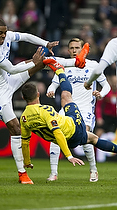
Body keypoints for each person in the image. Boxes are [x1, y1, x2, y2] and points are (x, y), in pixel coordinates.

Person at [0, 17, 59, 184]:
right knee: (16, 128)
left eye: (5, 32)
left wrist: (46, 43)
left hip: (8, 80)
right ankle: (22, 173)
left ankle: (72, 67)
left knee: (42, 63)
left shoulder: (7, 35)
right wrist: (32, 62)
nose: (3, 36)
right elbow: (12, 68)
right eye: (0, 33)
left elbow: (25, 36)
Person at [20, 58, 117, 183]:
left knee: (93, 139)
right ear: (38, 94)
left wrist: (27, 161)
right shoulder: (46, 110)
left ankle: (58, 173)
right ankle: (60, 70)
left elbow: (25, 142)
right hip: (74, 127)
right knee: (66, 96)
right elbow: (57, 132)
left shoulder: (24, 118)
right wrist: (69, 156)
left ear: (23, 97)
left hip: (69, 140)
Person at [46, 38, 111, 182]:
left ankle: (93, 170)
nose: (74, 50)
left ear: (83, 50)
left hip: (85, 107)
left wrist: (101, 94)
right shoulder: (64, 66)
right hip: (67, 108)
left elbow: (107, 86)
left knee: (85, 137)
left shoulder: (93, 65)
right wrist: (50, 90)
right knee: (55, 135)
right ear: (68, 50)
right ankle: (53, 173)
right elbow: (54, 84)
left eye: (77, 48)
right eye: (72, 48)